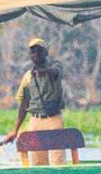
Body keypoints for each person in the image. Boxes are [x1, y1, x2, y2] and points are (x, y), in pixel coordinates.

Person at [4, 37, 68, 166]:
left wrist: (45, 71)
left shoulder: (56, 65)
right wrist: (15, 130)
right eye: (33, 52)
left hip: (53, 120)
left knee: (57, 162)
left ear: (46, 52)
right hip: (35, 121)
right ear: (30, 55)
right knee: (38, 163)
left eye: (40, 51)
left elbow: (56, 72)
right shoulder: (28, 76)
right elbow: (24, 105)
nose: (36, 54)